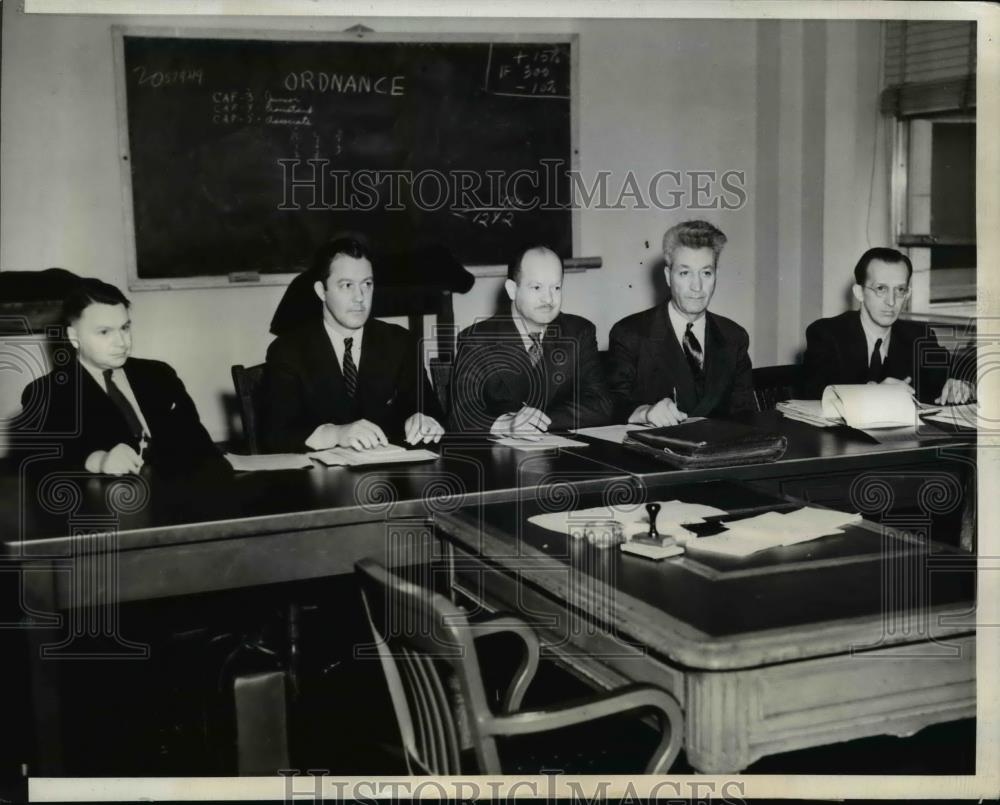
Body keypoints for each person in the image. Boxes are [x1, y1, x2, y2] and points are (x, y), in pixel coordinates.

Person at [17, 277, 227, 476]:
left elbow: (198, 441)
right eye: (104, 332)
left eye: (125, 328)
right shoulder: (48, 392)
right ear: (74, 337)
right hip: (110, 506)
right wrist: (98, 461)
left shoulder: (159, 374)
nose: (121, 342)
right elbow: (36, 462)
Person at [263, 236, 445, 452]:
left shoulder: (400, 342)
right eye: (347, 285)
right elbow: (275, 435)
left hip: (389, 479)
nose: (360, 297)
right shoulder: (288, 351)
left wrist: (425, 421)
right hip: (320, 481)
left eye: (367, 284)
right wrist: (336, 433)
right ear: (322, 291)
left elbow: (431, 410)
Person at [449, 245, 612, 438]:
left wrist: (536, 422)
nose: (549, 299)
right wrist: (507, 425)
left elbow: (600, 405)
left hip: (563, 457)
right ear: (512, 290)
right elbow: (460, 414)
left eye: (556, 288)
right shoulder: (477, 339)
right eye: (537, 287)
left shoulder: (579, 332)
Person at [607, 219, 754, 426]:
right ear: (668, 276)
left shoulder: (734, 337)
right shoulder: (630, 334)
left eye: (706, 273)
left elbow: (744, 416)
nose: (697, 286)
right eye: (685, 273)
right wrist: (645, 412)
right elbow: (612, 404)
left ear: (716, 275)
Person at [802, 247, 974, 404]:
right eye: (881, 289)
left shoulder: (919, 336)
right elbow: (813, 396)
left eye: (900, 290)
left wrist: (963, 387)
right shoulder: (826, 334)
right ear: (859, 293)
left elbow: (958, 375)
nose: (891, 302)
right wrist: (873, 393)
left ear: (908, 294)